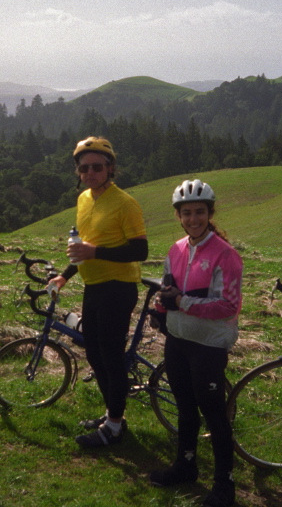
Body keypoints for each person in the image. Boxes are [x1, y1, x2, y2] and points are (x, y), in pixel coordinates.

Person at [48, 136, 148, 448]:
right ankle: (112, 415)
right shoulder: (83, 200)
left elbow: (140, 250)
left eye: (97, 167)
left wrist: (95, 253)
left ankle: (115, 428)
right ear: (78, 171)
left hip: (118, 288)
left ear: (110, 168)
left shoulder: (126, 203)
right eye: (84, 168)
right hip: (93, 286)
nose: (90, 172)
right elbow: (84, 248)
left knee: (110, 356)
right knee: (94, 353)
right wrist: (64, 276)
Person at [150, 179, 242, 507]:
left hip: (209, 344)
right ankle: (186, 466)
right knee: (185, 408)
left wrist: (183, 302)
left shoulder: (225, 255)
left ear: (210, 213)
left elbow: (228, 306)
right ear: (178, 216)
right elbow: (168, 287)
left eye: (199, 212)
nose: (193, 219)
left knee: (214, 414)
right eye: (186, 213)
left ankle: (224, 485)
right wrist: (160, 310)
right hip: (178, 340)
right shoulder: (175, 250)